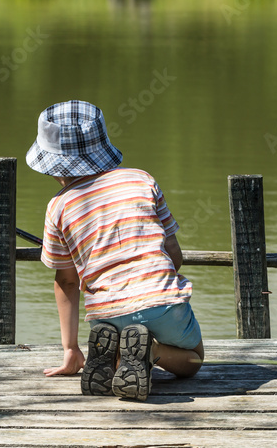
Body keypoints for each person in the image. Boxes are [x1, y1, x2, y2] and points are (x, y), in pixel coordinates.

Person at [25, 100, 203, 401]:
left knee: (120, 349)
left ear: (52, 166)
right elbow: (174, 255)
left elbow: (66, 281)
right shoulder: (142, 179)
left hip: (106, 311)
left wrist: (70, 349)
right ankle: (151, 351)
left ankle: (118, 353)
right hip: (161, 300)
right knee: (194, 360)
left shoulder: (57, 207)